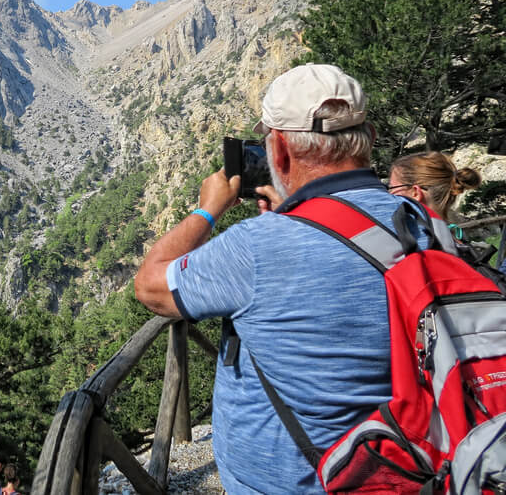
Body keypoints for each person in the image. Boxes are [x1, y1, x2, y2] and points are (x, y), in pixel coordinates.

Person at [134, 64, 428, 493]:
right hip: (413, 470)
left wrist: (207, 209)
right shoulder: (422, 223)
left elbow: (150, 286)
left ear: (282, 152)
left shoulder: (256, 246)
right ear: (371, 140)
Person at [387, 151, 481, 223]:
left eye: (392, 188)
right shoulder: (451, 240)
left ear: (415, 193)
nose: (388, 193)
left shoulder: (413, 245)